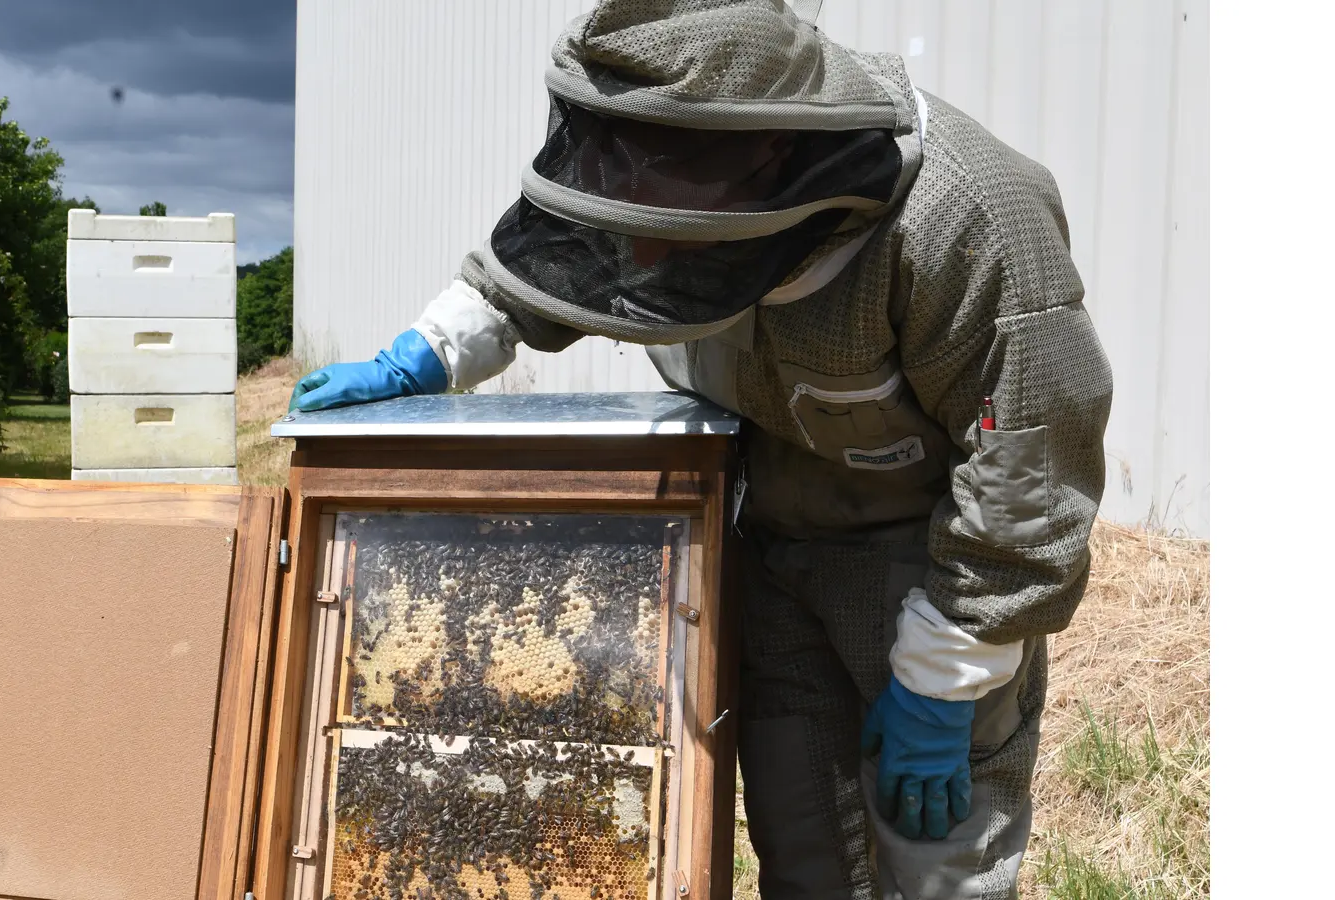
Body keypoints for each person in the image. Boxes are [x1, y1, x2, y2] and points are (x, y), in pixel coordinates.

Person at [290, 2, 1113, 897]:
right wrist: (431, 350)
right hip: (774, 551)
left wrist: (948, 672)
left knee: (932, 860)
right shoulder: (651, 154)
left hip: (934, 562)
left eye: (664, 220)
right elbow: (543, 266)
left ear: (767, 152)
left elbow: (1031, 462)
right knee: (805, 848)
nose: (638, 247)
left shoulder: (969, 217)